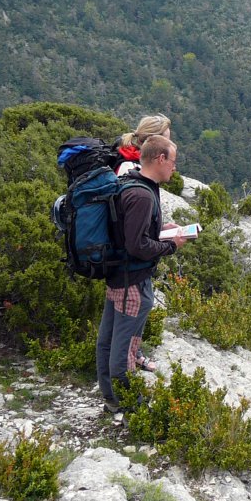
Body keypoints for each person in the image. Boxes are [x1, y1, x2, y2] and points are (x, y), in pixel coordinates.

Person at [97, 135, 188, 414]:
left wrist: (160, 230)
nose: (174, 168)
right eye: (172, 161)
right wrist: (170, 245)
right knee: (125, 349)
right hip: (133, 282)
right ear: (160, 159)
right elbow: (137, 245)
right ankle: (131, 409)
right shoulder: (141, 194)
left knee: (107, 341)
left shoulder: (132, 181)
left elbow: (130, 234)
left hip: (119, 276)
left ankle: (111, 399)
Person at [113, 114, 173, 372]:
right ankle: (121, 389)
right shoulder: (134, 177)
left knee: (119, 332)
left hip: (130, 266)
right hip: (130, 269)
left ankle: (122, 369)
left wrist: (159, 230)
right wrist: (170, 245)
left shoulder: (133, 170)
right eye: (165, 141)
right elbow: (134, 239)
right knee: (128, 322)